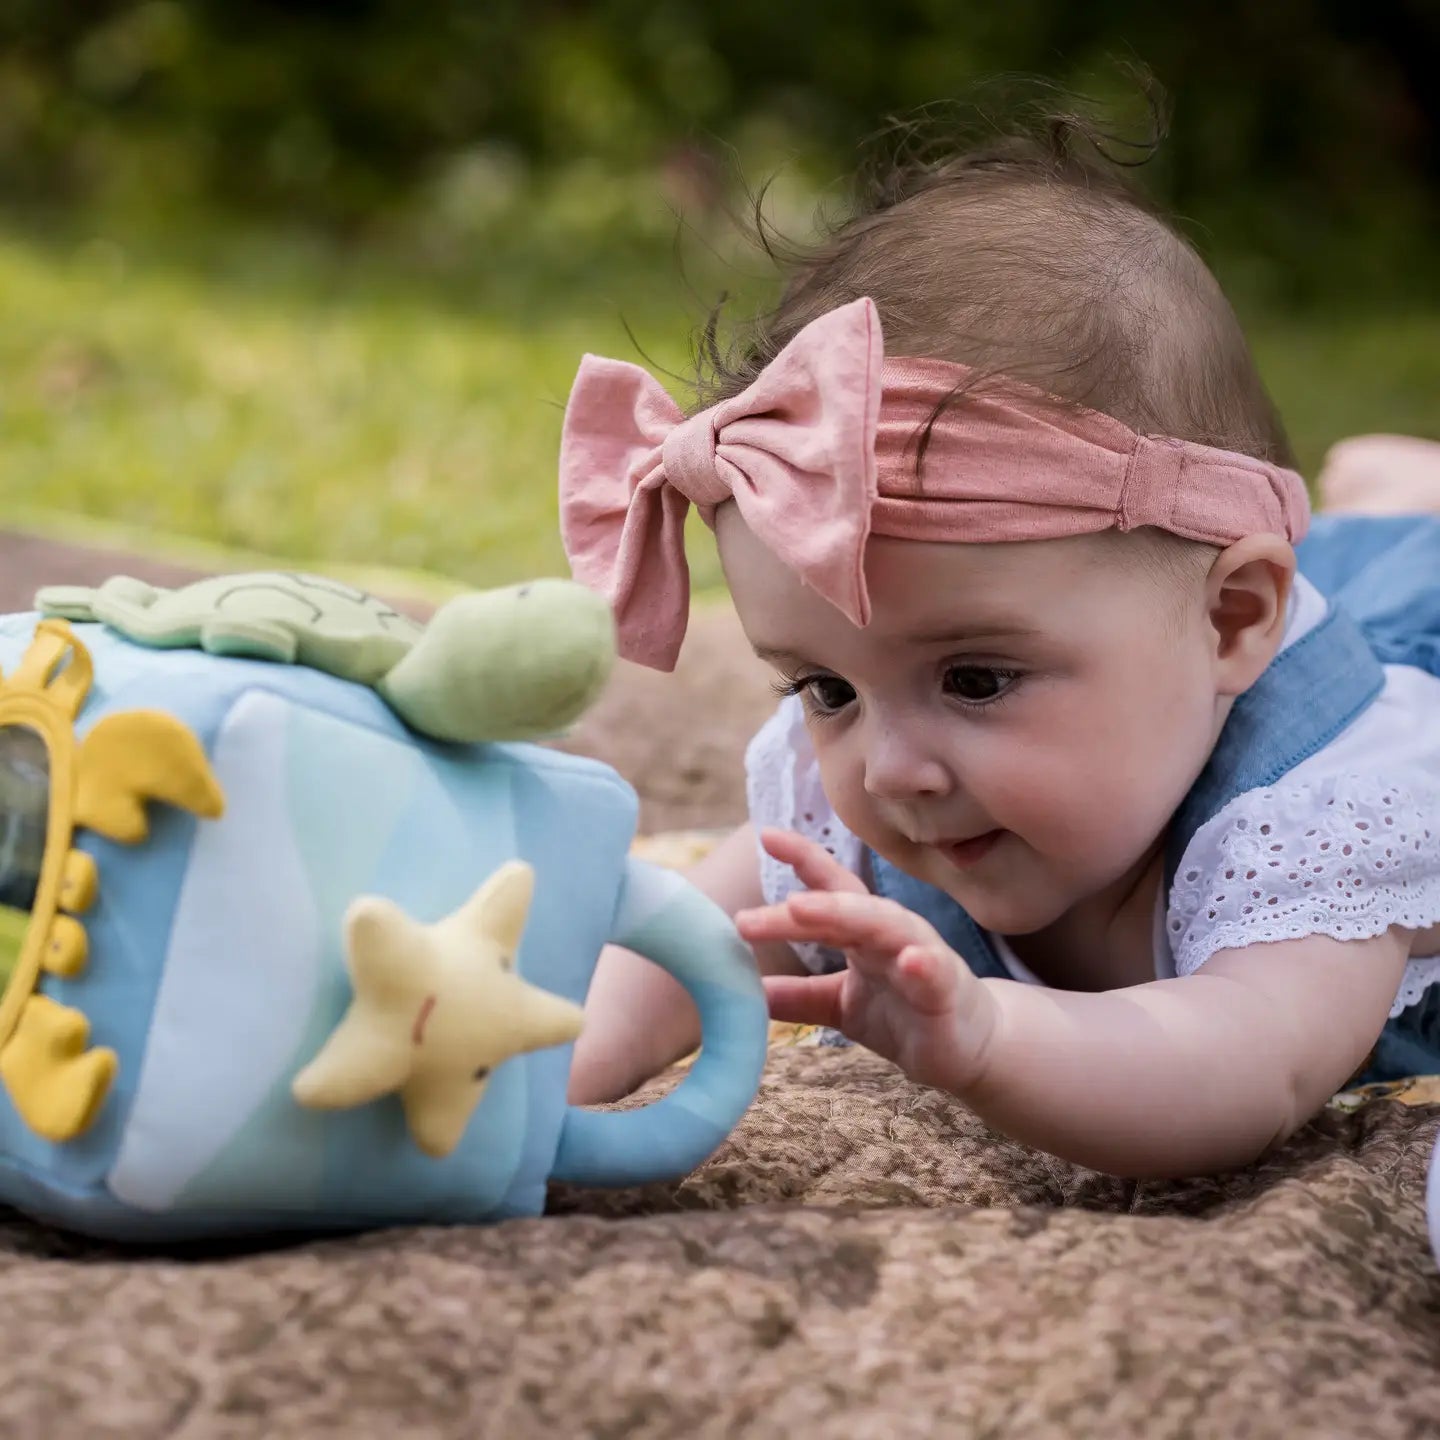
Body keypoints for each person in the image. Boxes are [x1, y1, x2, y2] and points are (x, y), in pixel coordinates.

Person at [556, 112, 1440, 1178]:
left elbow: (1247, 1067)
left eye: (975, 678)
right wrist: (548, 1070)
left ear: (1234, 621)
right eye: (826, 688)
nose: (891, 771)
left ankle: (1404, 494)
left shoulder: (1328, 818)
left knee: (1404, 570)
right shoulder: (885, 788)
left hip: (1395, 642)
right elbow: (689, 943)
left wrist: (987, 1038)